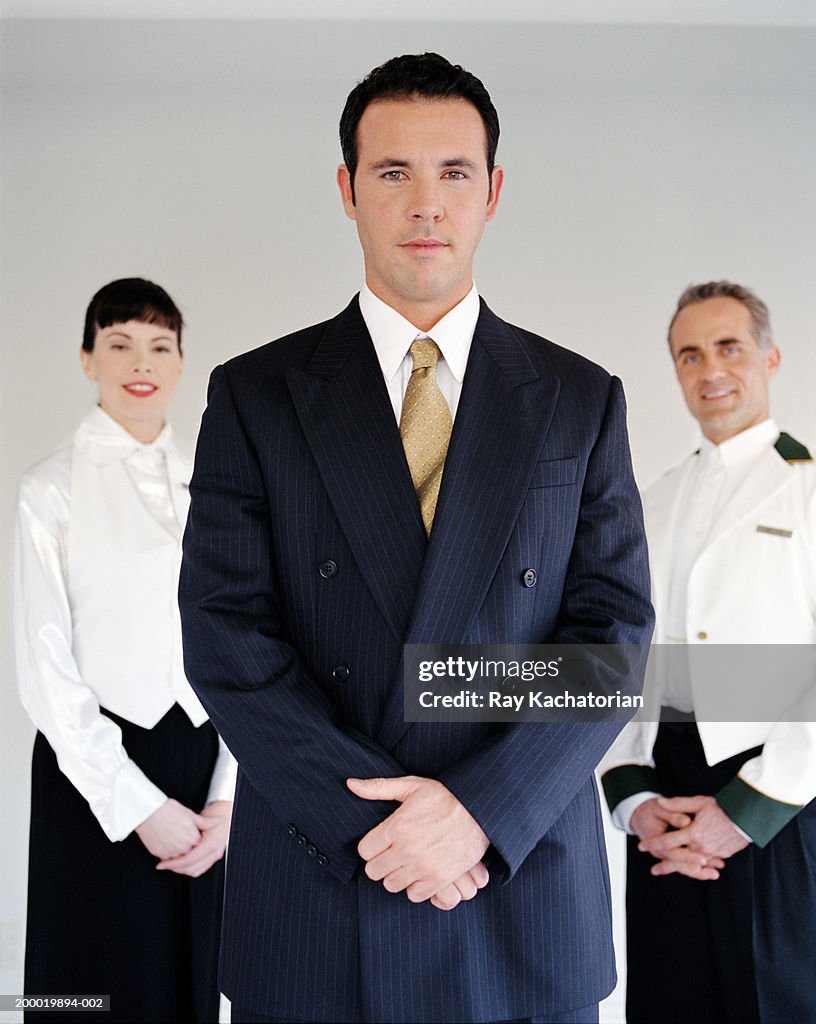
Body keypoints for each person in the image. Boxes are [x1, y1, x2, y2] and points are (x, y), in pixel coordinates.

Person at [179, 53, 653, 1024]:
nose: (425, 203)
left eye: (454, 173)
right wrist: (383, 827)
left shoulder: (578, 398)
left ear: (494, 192)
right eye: (393, 173)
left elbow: (611, 637)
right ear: (348, 190)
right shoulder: (257, 393)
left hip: (517, 885)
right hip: (322, 887)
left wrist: (477, 812)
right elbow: (227, 634)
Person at [14, 278, 236, 1024]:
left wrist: (229, 799)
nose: (140, 362)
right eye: (118, 344)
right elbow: (44, 669)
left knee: (197, 991)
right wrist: (137, 805)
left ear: (179, 363)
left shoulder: (220, 491)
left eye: (159, 345)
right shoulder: (50, 490)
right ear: (87, 359)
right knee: (90, 995)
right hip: (96, 781)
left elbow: (248, 643)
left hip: (207, 775)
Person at [600, 280, 816, 1024]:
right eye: (690, 355)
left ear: (771, 357)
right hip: (667, 797)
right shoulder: (648, 503)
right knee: (667, 1003)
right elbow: (624, 660)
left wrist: (750, 809)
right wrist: (633, 799)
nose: (710, 369)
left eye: (729, 347)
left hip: (783, 799)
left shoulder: (809, 489)